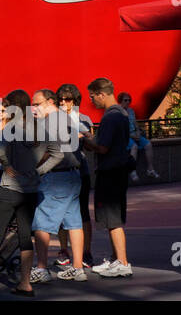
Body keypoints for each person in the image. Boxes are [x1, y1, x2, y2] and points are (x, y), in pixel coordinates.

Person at [0, 90, 58, 297]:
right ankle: (25, 282)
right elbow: (58, 153)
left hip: (9, 187)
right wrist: (39, 171)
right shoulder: (40, 129)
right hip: (30, 189)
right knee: (24, 237)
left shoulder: (12, 128)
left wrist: (7, 166)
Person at [31, 88, 86, 283]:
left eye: (36, 104)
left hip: (56, 177)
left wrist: (34, 168)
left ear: (49, 102)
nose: (33, 108)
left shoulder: (47, 123)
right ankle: (78, 268)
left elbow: (46, 152)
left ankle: (41, 268)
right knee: (74, 222)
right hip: (73, 175)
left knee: (41, 223)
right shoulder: (66, 119)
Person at [85, 78, 134, 277]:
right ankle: (117, 260)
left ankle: (122, 262)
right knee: (115, 217)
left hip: (110, 171)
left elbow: (103, 147)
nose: (92, 101)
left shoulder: (110, 117)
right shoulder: (121, 113)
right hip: (119, 169)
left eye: (92, 97)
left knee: (112, 220)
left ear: (101, 94)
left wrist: (87, 141)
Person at [56, 84, 95, 270]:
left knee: (83, 212)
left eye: (68, 99)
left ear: (75, 101)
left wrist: (83, 136)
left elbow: (90, 143)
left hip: (80, 170)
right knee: (61, 213)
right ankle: (63, 250)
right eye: (61, 99)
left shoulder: (83, 118)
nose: (64, 103)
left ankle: (86, 252)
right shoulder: (53, 120)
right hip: (60, 172)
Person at [119, 92, 159, 180]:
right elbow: (120, 129)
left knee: (148, 144)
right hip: (125, 136)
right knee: (134, 146)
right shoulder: (118, 112)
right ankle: (132, 171)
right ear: (120, 101)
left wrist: (137, 132)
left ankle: (150, 169)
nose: (128, 102)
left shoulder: (131, 111)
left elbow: (135, 123)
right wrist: (132, 136)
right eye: (125, 100)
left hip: (134, 134)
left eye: (129, 100)